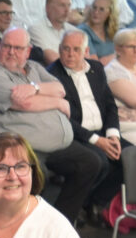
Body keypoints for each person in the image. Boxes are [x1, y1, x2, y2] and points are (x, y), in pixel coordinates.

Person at [0, 27, 106, 222]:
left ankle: (60, 222)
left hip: (51, 144)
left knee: (91, 162)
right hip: (12, 147)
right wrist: (58, 103)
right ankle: (22, 226)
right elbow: (24, 103)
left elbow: (60, 88)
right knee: (35, 173)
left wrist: (34, 87)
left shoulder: (34, 68)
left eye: (18, 48)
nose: (11, 52)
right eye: (6, 46)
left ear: (28, 50)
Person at [48, 29, 126, 212]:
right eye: (65, 49)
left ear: (86, 52)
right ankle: (75, 206)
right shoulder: (52, 75)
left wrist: (113, 135)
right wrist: (97, 141)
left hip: (102, 131)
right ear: (59, 49)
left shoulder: (96, 69)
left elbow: (109, 105)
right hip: (77, 135)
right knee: (100, 162)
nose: (70, 54)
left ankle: (92, 202)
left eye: (76, 49)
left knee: (129, 159)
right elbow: (62, 118)